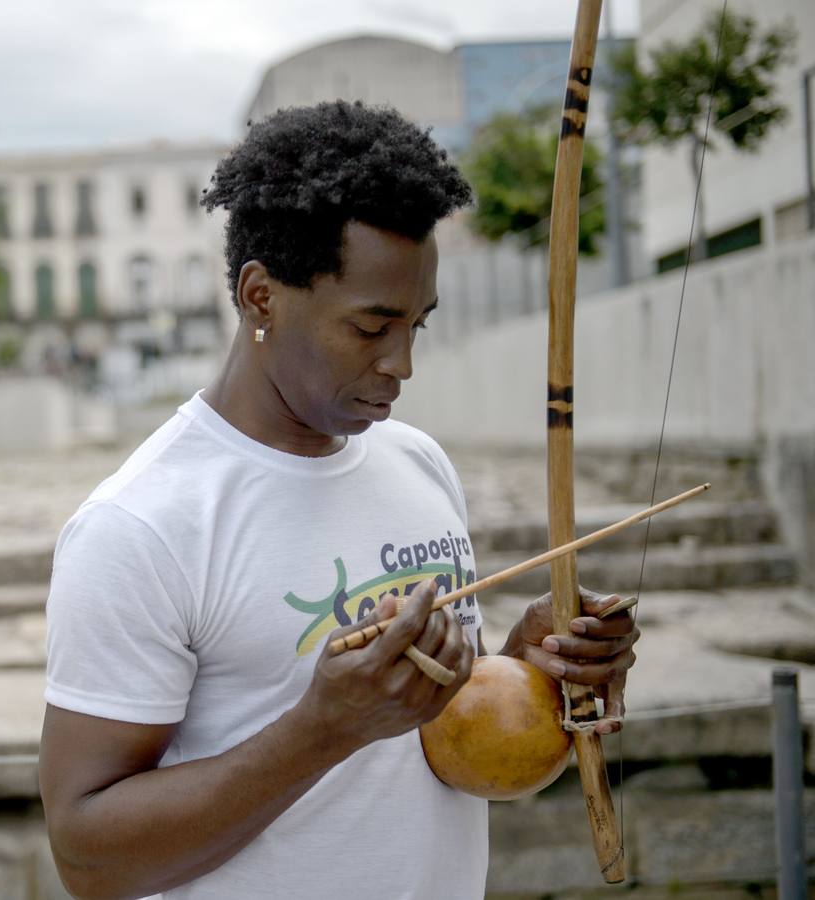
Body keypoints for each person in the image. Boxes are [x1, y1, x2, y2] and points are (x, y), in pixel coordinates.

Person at [39, 102, 640, 900]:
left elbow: (435, 750)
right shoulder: (143, 526)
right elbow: (88, 858)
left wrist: (532, 665)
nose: (402, 364)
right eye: (371, 327)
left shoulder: (417, 463)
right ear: (261, 297)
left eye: (418, 325)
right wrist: (323, 729)